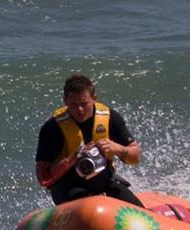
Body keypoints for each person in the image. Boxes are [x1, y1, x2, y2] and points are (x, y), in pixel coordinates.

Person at [35, 74, 144, 207]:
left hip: (104, 182)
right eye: (73, 105)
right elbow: (43, 178)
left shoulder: (111, 119)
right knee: (88, 207)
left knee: (142, 214)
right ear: (65, 102)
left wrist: (117, 148)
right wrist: (73, 158)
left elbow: (136, 157)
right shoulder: (52, 128)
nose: (79, 110)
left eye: (84, 104)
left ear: (94, 99)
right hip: (67, 187)